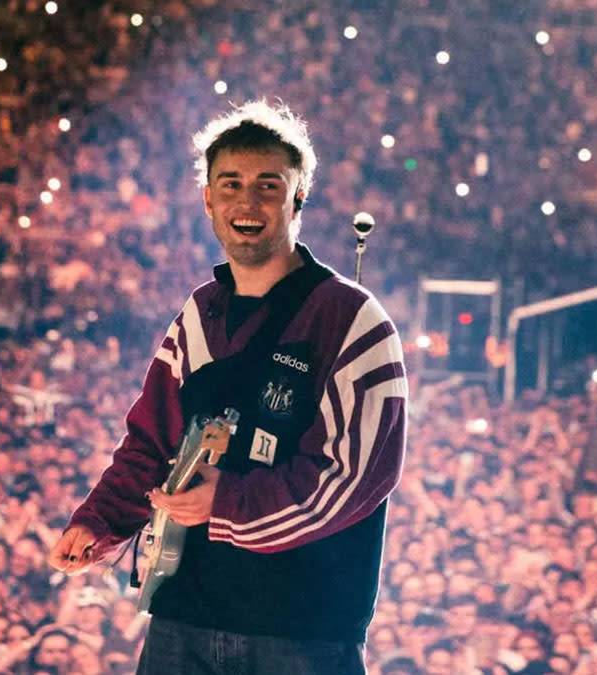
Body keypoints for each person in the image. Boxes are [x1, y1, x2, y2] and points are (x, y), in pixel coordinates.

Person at [49, 100, 408, 674]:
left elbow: (357, 475)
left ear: (299, 198)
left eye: (269, 185)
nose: (248, 202)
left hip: (301, 632)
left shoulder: (351, 319)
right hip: (183, 617)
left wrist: (229, 502)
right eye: (231, 184)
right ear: (208, 200)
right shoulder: (200, 313)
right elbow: (150, 442)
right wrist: (102, 519)